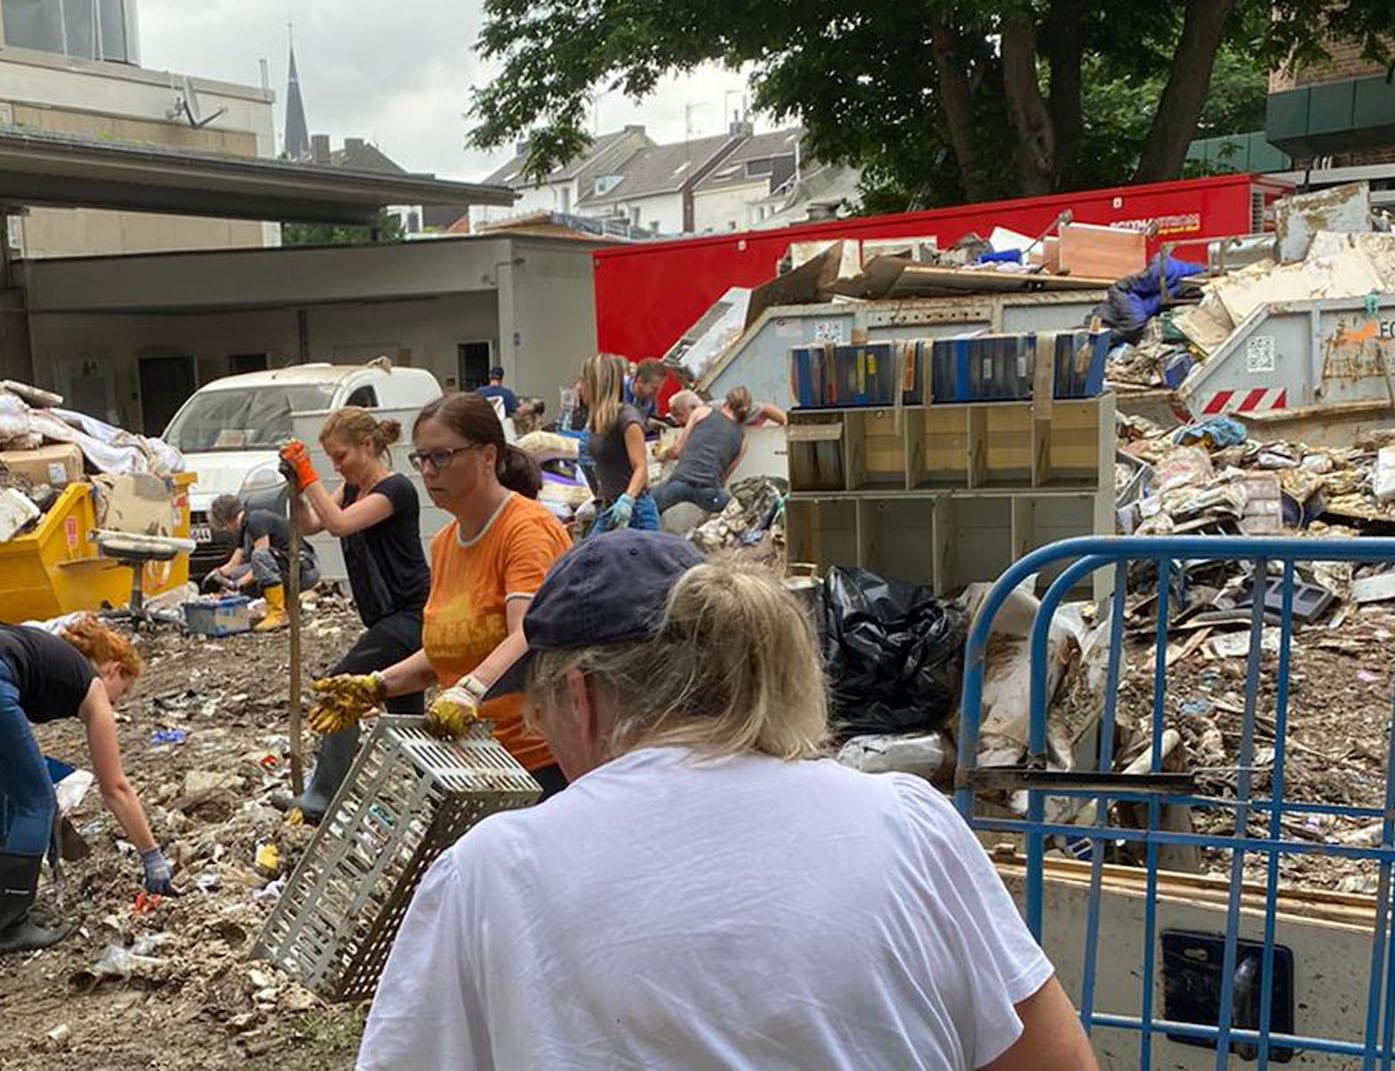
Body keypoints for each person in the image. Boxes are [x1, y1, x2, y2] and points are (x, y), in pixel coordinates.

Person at [358, 531, 1098, 1070]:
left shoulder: (491, 874)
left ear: (581, 695)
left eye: (540, 714)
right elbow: (1055, 1060)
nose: (544, 733)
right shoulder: (907, 823)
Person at [307, 393, 574, 797]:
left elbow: (529, 632)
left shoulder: (526, 530)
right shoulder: (446, 542)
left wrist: (470, 690)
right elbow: (449, 648)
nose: (429, 472)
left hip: (540, 762)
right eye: (421, 460)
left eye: (442, 457)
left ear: (487, 456)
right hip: (479, 763)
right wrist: (377, 684)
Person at [0, 616, 176, 953]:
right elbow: (114, 788)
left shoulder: (53, 655)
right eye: (123, 692)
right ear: (114, 670)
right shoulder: (91, 685)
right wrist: (151, 855)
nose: (117, 703)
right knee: (37, 803)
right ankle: (12, 926)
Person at [271, 409, 429, 821]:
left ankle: (324, 795)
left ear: (369, 446)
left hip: (410, 616)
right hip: (384, 620)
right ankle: (428, 792)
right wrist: (295, 487)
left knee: (339, 688)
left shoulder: (395, 491)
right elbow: (309, 525)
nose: (337, 466)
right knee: (407, 718)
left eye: (341, 456)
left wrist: (308, 474)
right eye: (330, 459)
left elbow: (339, 525)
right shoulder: (351, 489)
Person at [203, 493, 320, 632]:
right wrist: (217, 574)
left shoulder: (255, 522)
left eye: (224, 526)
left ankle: (278, 613)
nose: (226, 530)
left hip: (305, 568)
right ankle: (290, 605)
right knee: (237, 573)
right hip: (290, 566)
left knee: (258, 557)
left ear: (226, 520)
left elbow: (263, 560)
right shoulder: (244, 527)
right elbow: (233, 565)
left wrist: (238, 585)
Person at [581, 354, 659, 534]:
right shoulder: (597, 421)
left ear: (597, 383)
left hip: (635, 511)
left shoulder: (627, 419)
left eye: (584, 380)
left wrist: (628, 500)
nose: (580, 387)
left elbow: (640, 467)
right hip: (610, 508)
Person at [653, 387, 753, 515]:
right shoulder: (743, 441)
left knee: (646, 508)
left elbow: (677, 451)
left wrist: (663, 454)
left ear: (726, 402)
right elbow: (723, 479)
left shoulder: (701, 412)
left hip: (680, 483)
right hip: (709, 492)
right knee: (735, 514)